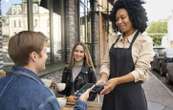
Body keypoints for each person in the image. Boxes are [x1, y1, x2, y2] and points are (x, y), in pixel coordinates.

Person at [0, 31, 89, 110]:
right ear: (34, 56)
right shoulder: (43, 96)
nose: (47, 56)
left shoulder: (2, 83)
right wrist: (81, 103)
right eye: (45, 51)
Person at [98, 0, 154, 110]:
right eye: (117, 19)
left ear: (133, 16)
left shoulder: (144, 41)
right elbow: (106, 63)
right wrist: (103, 79)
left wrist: (117, 80)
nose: (119, 21)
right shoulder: (113, 39)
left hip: (132, 99)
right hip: (110, 96)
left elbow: (141, 72)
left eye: (123, 17)